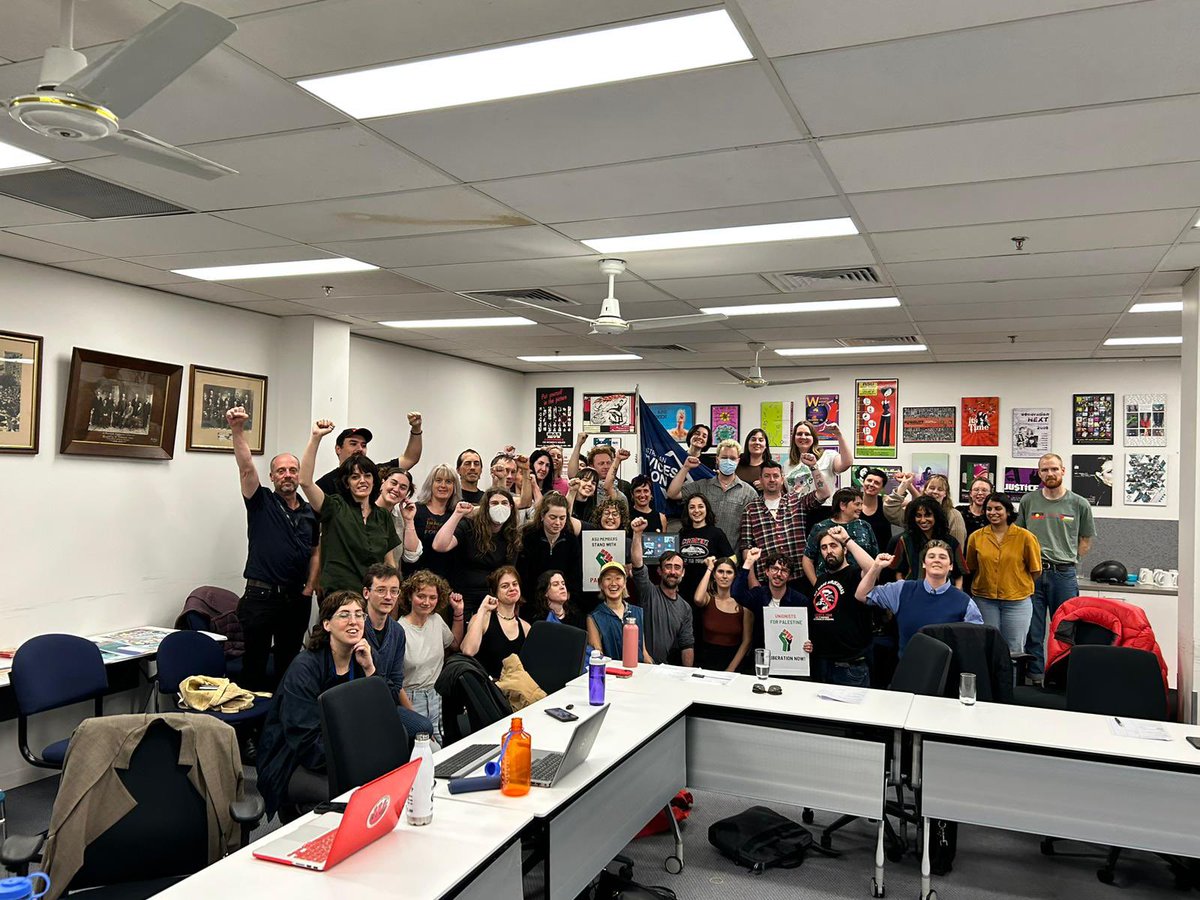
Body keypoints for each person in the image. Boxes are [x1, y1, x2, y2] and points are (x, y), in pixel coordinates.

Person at [255, 591, 379, 819]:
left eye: (359, 615)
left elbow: (380, 717)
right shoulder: (305, 669)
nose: (354, 621)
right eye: (344, 615)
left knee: (379, 788)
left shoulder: (362, 659)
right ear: (327, 624)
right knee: (353, 799)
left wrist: (371, 671)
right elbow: (305, 741)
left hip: (343, 755)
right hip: (294, 762)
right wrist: (354, 764)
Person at [226, 406, 318, 693]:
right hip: (260, 599)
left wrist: (309, 589)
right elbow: (245, 468)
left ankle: (282, 727)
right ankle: (250, 733)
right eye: (281, 471)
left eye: (292, 470)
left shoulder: (309, 511)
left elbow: (316, 551)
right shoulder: (261, 501)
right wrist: (238, 431)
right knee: (253, 667)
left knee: (289, 667)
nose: (288, 475)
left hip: (296, 600)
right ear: (272, 476)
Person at [1016, 452, 1097, 683]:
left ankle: (1062, 678)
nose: (1049, 474)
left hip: (1064, 574)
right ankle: (1035, 677)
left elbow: (1085, 540)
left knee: (1066, 629)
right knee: (1034, 629)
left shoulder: (1079, 503)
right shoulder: (1028, 501)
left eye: (1054, 469)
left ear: (1063, 471)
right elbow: (1019, 536)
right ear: (1039, 473)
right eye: (1044, 470)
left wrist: (1068, 559)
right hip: (1033, 573)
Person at [299, 420, 398, 594]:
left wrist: (393, 592)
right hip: (339, 596)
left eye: (367, 475)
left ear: (374, 481)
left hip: (373, 596)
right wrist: (315, 438)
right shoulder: (335, 506)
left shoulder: (382, 516)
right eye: (355, 477)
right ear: (346, 483)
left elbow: (390, 563)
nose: (362, 481)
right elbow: (305, 481)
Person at [856, 544, 984, 656]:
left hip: (947, 673)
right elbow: (862, 595)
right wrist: (876, 567)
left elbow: (976, 641)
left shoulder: (965, 602)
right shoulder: (902, 589)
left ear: (950, 566)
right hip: (909, 670)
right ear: (924, 563)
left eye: (943, 557)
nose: (937, 560)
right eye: (931, 556)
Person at [360, 564, 436, 741]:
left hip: (387, 702)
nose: (388, 597)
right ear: (366, 593)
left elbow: (396, 681)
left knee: (424, 728)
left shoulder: (397, 631)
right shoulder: (356, 627)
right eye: (381, 590)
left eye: (394, 591)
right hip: (359, 703)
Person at [965, 493, 1042, 655]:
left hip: (1017, 603)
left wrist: (1015, 583)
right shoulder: (976, 537)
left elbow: (1035, 570)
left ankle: (1009, 682)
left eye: (998, 508)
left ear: (1008, 512)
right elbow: (971, 567)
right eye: (989, 509)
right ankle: (988, 682)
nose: (993, 512)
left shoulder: (1026, 537)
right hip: (984, 601)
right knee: (986, 648)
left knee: (1013, 651)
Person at [432, 488, 523, 619]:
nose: (500, 507)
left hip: (494, 598)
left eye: (504, 503)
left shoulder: (512, 535)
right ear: (485, 507)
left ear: (511, 507)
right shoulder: (468, 527)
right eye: (494, 503)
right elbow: (439, 545)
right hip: (463, 596)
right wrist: (458, 514)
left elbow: (509, 573)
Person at [804, 525, 877, 687]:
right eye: (824, 547)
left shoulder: (855, 574)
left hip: (849, 667)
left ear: (844, 550)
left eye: (833, 545)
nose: (828, 551)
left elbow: (873, 568)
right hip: (821, 664)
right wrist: (808, 641)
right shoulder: (821, 579)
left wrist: (847, 540)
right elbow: (815, 616)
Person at [738, 458, 830, 583]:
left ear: (782, 479)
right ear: (760, 479)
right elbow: (746, 548)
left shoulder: (796, 500)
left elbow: (824, 493)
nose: (771, 479)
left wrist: (813, 466)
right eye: (767, 476)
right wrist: (752, 581)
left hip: (798, 577)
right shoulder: (750, 509)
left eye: (775, 476)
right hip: (767, 579)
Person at [398, 571, 464, 746]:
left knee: (440, 749)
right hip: (411, 700)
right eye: (421, 596)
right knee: (424, 752)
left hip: (436, 696)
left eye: (432, 597)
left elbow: (455, 645)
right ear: (410, 596)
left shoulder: (436, 620)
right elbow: (395, 681)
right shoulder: (399, 630)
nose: (427, 602)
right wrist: (413, 717)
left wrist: (458, 612)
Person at [667, 439, 758, 550]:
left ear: (738, 461)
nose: (728, 461)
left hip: (731, 560)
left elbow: (753, 530)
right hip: (702, 556)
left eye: (732, 458)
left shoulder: (749, 493)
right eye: (724, 458)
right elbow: (672, 494)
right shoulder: (702, 486)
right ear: (717, 459)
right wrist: (686, 468)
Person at [630, 517, 695, 666]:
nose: (673, 571)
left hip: (665, 670)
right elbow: (637, 563)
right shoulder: (649, 592)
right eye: (668, 566)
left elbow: (687, 645)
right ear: (659, 571)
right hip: (640, 665)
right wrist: (638, 534)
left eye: (677, 567)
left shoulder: (685, 608)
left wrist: (687, 675)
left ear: (683, 572)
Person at [313, 414, 423, 496]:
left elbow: (410, 458)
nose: (360, 449)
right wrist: (316, 437)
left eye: (363, 445)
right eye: (353, 444)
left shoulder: (377, 472)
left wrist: (416, 429)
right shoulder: (326, 483)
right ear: (338, 449)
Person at [732, 547, 807, 655]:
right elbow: (736, 593)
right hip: (762, 656)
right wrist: (748, 562)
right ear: (767, 571)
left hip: (788, 657)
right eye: (774, 569)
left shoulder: (800, 601)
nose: (778, 574)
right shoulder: (758, 595)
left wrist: (808, 644)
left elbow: (805, 633)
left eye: (784, 571)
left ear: (790, 577)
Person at [517, 492, 584, 614]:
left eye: (562, 518)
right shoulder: (528, 536)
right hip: (532, 601)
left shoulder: (571, 540)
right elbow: (523, 572)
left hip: (563, 602)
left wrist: (566, 598)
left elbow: (575, 575)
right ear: (542, 516)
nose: (558, 523)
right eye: (553, 517)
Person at [460, 566, 531, 678]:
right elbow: (468, 650)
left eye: (515, 584)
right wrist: (483, 609)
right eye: (505, 586)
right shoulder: (483, 618)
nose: (512, 588)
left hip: (514, 689)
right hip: (487, 689)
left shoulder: (526, 627)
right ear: (495, 592)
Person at [802, 487, 879, 582]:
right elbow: (807, 560)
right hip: (828, 587)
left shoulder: (865, 526)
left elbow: (875, 558)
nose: (861, 508)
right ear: (842, 505)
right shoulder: (820, 527)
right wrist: (817, 586)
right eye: (857, 504)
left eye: (861, 504)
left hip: (860, 584)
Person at [888, 496, 968, 588]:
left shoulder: (950, 541)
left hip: (943, 595)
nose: (923, 520)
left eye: (927, 515)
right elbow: (899, 572)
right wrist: (905, 592)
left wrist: (955, 595)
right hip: (913, 594)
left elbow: (958, 575)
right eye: (918, 516)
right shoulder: (905, 540)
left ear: (936, 516)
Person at [692, 556, 753, 672]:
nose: (724, 576)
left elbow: (747, 641)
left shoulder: (743, 604)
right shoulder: (708, 599)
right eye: (720, 572)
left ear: (734, 576)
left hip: (733, 663)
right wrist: (709, 568)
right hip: (706, 662)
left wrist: (730, 669)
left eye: (729, 572)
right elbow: (698, 599)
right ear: (714, 575)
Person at [586, 560, 650, 662]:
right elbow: (597, 655)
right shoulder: (594, 617)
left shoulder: (637, 612)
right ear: (601, 584)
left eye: (618, 578)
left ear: (624, 583)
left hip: (638, 672)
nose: (613, 583)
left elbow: (643, 652)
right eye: (608, 578)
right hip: (612, 674)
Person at [677, 494, 733, 605]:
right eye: (692, 507)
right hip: (683, 591)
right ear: (687, 511)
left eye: (700, 506)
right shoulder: (681, 533)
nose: (696, 510)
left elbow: (733, 560)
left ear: (706, 509)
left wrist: (716, 563)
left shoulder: (716, 533)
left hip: (708, 592)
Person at [884, 473, 968, 546]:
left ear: (945, 494)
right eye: (931, 488)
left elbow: (957, 547)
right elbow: (891, 511)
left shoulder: (954, 515)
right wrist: (904, 484)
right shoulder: (915, 511)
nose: (935, 492)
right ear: (925, 490)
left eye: (940, 489)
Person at [411, 464, 462, 582]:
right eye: (438, 480)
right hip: (415, 579)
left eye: (448, 481)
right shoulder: (415, 510)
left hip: (446, 582)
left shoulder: (457, 515)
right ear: (431, 484)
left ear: (455, 487)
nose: (443, 485)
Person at [375, 467, 423, 569]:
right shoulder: (365, 511)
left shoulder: (401, 516)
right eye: (393, 483)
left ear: (407, 494)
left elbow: (411, 556)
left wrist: (409, 521)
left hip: (392, 581)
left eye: (403, 487)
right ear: (383, 483)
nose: (396, 489)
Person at [784, 421, 851, 495]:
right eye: (799, 434)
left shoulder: (828, 456)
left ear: (814, 438)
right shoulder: (788, 463)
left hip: (823, 505)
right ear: (794, 438)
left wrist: (839, 435)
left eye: (807, 434)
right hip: (796, 506)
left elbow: (847, 463)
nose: (803, 437)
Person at [858, 468, 894, 559]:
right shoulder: (853, 502)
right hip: (857, 558)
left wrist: (907, 484)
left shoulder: (886, 503)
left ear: (882, 488)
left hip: (882, 558)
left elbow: (913, 504)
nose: (871, 484)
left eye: (877, 483)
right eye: (869, 480)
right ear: (863, 482)